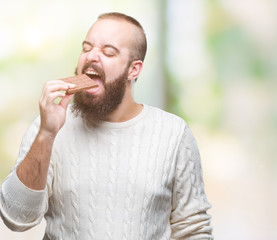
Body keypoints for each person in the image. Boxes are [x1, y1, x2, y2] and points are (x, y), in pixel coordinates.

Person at [0, 12, 213, 239]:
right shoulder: (49, 126)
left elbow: (194, 230)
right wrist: (46, 133)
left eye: (108, 52)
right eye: (86, 47)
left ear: (134, 70)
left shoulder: (173, 134)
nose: (91, 56)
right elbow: (16, 217)